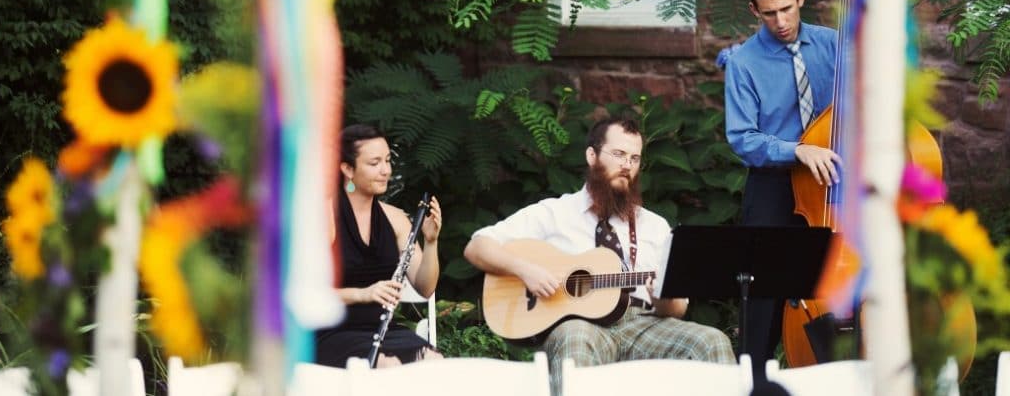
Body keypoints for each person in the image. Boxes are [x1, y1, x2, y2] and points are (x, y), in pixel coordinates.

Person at [464, 116, 735, 395]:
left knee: (711, 341)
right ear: (591, 156)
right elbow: (477, 247)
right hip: (580, 327)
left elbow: (677, 310)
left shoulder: (654, 226)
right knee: (575, 335)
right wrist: (525, 270)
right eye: (618, 154)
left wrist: (662, 297)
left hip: (642, 324)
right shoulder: (554, 213)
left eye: (634, 158)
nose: (627, 165)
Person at [722, 0, 843, 377]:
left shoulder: (832, 45)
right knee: (763, 302)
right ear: (754, 10)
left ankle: (836, 375)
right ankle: (755, 381)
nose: (781, 22)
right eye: (770, 13)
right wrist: (798, 151)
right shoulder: (744, 62)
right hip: (773, 186)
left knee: (833, 283)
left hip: (829, 185)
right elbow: (742, 138)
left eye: (787, 9)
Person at [314, 124, 444, 368]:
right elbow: (306, 292)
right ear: (347, 169)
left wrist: (431, 241)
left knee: (433, 362)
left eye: (387, 160)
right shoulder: (323, 217)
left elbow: (425, 287)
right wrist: (363, 294)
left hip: (382, 330)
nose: (386, 170)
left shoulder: (396, 219)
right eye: (374, 163)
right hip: (331, 333)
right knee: (388, 366)